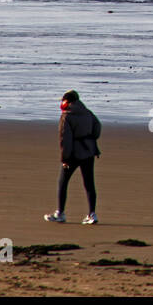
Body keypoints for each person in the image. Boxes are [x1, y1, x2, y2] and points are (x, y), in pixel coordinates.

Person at [43, 90, 102, 224]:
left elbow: (65, 139)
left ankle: (60, 213)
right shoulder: (88, 113)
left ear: (67, 102)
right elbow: (97, 128)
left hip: (74, 154)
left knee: (63, 182)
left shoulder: (66, 116)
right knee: (89, 183)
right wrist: (89, 139)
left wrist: (65, 159)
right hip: (88, 151)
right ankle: (92, 214)